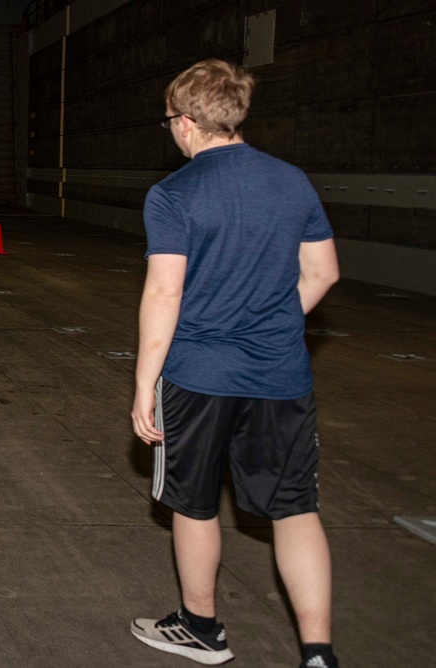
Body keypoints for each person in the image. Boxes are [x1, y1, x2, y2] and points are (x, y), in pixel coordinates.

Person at [129, 60, 341, 668]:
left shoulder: (175, 193)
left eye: (171, 119)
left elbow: (165, 294)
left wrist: (145, 384)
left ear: (189, 122)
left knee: (193, 502)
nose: (171, 129)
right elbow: (323, 272)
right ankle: (319, 654)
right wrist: (271, 316)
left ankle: (200, 628)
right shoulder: (292, 180)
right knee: (295, 509)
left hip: (199, 374)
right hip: (281, 373)